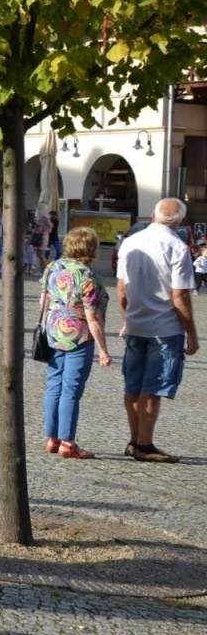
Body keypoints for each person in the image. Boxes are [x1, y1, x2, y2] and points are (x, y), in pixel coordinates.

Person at [116, 198, 198, 463]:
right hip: (164, 327)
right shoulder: (177, 247)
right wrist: (192, 333)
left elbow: (121, 289)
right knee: (153, 387)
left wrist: (127, 318)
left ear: (153, 215)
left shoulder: (130, 242)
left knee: (133, 385)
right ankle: (145, 444)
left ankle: (134, 440)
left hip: (136, 324)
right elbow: (179, 296)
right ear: (180, 221)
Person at [36, 226, 111, 460]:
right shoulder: (86, 275)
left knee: (54, 386)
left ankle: (52, 438)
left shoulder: (53, 267)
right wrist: (103, 350)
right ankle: (67, 442)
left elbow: (43, 302)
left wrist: (50, 323)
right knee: (71, 390)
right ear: (91, 249)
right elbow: (92, 316)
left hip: (54, 332)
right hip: (79, 336)